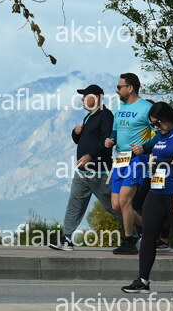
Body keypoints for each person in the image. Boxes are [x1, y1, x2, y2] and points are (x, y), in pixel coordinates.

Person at [121, 102, 173, 293]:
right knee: (148, 234)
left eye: (157, 123)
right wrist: (148, 154)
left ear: (168, 118)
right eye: (152, 124)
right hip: (156, 190)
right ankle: (142, 280)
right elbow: (150, 147)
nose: (156, 127)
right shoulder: (161, 135)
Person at [49, 84, 122, 251]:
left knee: (113, 206)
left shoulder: (105, 115)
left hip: (99, 171)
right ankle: (66, 238)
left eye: (85, 95)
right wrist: (75, 132)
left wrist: (90, 155)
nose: (82, 99)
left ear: (96, 98)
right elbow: (79, 141)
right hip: (82, 172)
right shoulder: (88, 117)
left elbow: (107, 141)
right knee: (74, 205)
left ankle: (139, 233)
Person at [105, 73, 157, 255]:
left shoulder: (147, 108)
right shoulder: (120, 108)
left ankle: (129, 241)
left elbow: (160, 132)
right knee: (115, 205)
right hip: (120, 159)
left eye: (119, 87)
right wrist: (110, 139)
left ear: (130, 88)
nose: (116, 90)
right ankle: (150, 230)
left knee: (124, 200)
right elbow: (115, 131)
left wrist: (145, 147)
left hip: (137, 159)